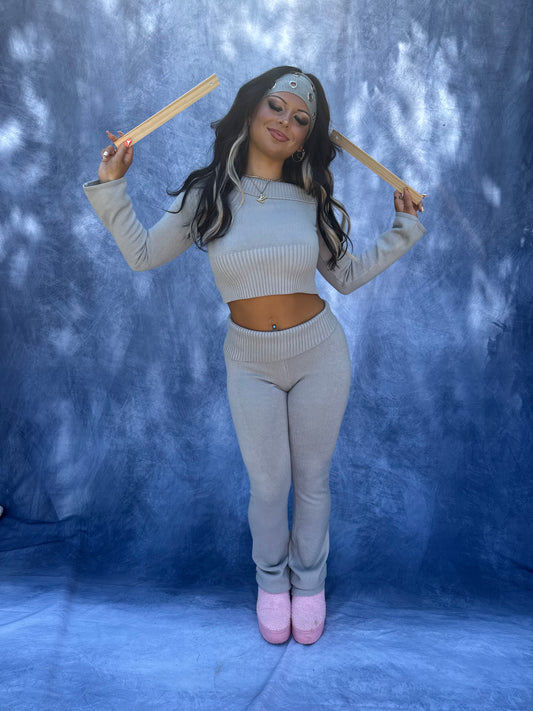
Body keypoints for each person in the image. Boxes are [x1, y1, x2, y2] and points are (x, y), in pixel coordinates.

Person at [83, 65, 426, 645]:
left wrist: (404, 229)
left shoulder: (310, 199)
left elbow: (345, 277)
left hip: (320, 353)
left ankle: (309, 585)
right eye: (276, 106)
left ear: (306, 138)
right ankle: (272, 584)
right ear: (251, 109)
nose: (285, 122)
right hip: (249, 361)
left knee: (312, 482)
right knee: (268, 486)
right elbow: (141, 254)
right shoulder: (207, 195)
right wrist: (112, 185)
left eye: (301, 119)